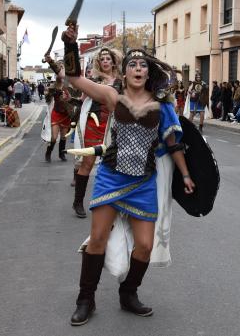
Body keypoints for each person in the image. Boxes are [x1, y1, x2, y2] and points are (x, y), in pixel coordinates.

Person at [53, 27, 195, 326]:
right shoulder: (112, 97)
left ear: (149, 72)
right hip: (111, 177)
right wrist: (70, 45)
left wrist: (184, 175)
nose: (138, 69)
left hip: (144, 182)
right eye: (133, 64)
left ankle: (128, 293)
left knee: (144, 245)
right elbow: (75, 79)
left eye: (143, 65)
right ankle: (85, 299)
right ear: (125, 71)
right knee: (98, 239)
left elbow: (173, 143)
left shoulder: (163, 106)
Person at [67, 47, 122, 218]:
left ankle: (110, 201)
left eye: (108, 58)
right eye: (102, 59)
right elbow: (81, 100)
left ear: (113, 61)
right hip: (94, 123)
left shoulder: (122, 81)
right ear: (99, 62)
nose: (105, 61)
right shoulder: (93, 79)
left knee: (113, 164)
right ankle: (78, 202)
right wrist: (68, 100)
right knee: (87, 163)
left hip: (114, 124)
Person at [43, 67, 74, 163]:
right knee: (54, 137)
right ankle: (48, 152)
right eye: (59, 73)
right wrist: (47, 93)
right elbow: (47, 100)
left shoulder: (70, 86)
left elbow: (74, 98)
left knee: (64, 136)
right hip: (56, 113)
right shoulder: (54, 86)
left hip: (65, 114)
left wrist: (68, 96)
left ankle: (62, 154)